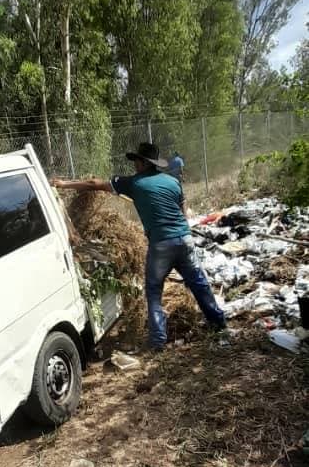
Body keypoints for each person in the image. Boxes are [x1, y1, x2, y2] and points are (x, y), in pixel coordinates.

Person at [52, 140, 225, 350]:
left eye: (136, 161)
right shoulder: (173, 182)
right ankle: (218, 324)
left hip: (161, 244)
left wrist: (63, 184)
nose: (134, 165)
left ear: (144, 163)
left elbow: (93, 184)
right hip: (184, 238)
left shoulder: (133, 183)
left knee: (153, 291)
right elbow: (181, 212)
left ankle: (158, 342)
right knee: (199, 282)